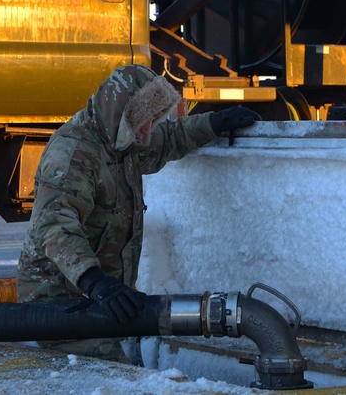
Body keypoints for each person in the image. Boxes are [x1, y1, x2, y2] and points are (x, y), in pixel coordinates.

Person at [16, 64, 258, 360]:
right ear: (120, 111)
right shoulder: (73, 154)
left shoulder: (122, 139)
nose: (147, 129)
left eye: (153, 119)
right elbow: (54, 226)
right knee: (115, 378)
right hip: (57, 303)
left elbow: (169, 139)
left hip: (95, 297)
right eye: (142, 120)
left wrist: (215, 123)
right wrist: (97, 283)